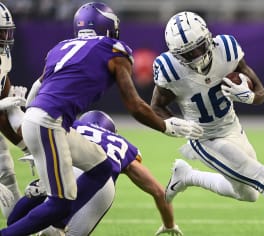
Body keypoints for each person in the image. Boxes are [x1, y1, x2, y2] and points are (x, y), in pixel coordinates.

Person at [0, 3, 202, 235]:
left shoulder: (60, 47)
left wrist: (28, 125)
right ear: (108, 26)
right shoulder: (114, 49)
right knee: (59, 203)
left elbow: (37, 87)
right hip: (50, 122)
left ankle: (56, 225)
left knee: (101, 166)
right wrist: (166, 126)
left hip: (47, 121)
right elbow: (135, 106)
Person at [150, 11, 264, 236]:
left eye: (198, 48)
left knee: (248, 194)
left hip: (232, 128)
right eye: (187, 54)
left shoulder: (226, 48)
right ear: (176, 54)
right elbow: (155, 108)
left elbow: (260, 92)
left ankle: (187, 176)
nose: (196, 56)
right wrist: (174, 124)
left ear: (208, 38)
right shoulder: (169, 68)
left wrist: (248, 96)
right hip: (205, 138)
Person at [8, 110, 183, 236]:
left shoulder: (72, 125)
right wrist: (169, 224)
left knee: (17, 222)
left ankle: (39, 194)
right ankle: (53, 223)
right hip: (102, 183)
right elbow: (160, 192)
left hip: (67, 168)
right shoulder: (121, 143)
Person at [0, 2, 30, 218]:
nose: (6, 37)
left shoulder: (4, 56)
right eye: (1, 31)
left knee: (7, 175)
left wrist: (26, 147)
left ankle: (19, 228)